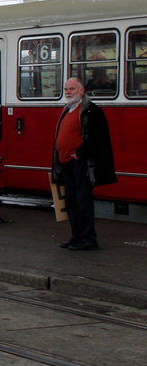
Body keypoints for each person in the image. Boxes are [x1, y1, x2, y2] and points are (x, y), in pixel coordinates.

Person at [52, 77, 116, 251]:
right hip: (67, 164)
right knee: (71, 202)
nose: (68, 92)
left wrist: (80, 154)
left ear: (82, 90)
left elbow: (98, 138)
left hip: (82, 164)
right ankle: (76, 237)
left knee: (83, 202)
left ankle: (88, 239)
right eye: (66, 89)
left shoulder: (91, 111)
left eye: (72, 89)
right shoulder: (68, 109)